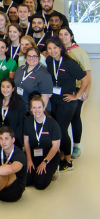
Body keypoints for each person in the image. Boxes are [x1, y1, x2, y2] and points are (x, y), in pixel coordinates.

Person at [43, 37, 88, 171]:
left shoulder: (70, 62)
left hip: (67, 101)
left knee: (62, 130)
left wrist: (77, 96)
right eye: (49, 48)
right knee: (56, 130)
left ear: (61, 48)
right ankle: (61, 157)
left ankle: (68, 161)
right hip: (54, 100)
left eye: (55, 48)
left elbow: (85, 80)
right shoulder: (49, 60)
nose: (52, 51)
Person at [22, 95, 61, 190]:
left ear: (44, 108)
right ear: (31, 109)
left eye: (39, 107)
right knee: (26, 181)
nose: (37, 110)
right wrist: (29, 160)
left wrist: (45, 162)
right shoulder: (28, 121)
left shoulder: (53, 124)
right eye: (34, 107)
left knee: (40, 184)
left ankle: (54, 170)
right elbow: (26, 142)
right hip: (33, 154)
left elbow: (55, 147)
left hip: (49, 156)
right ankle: (36, 170)